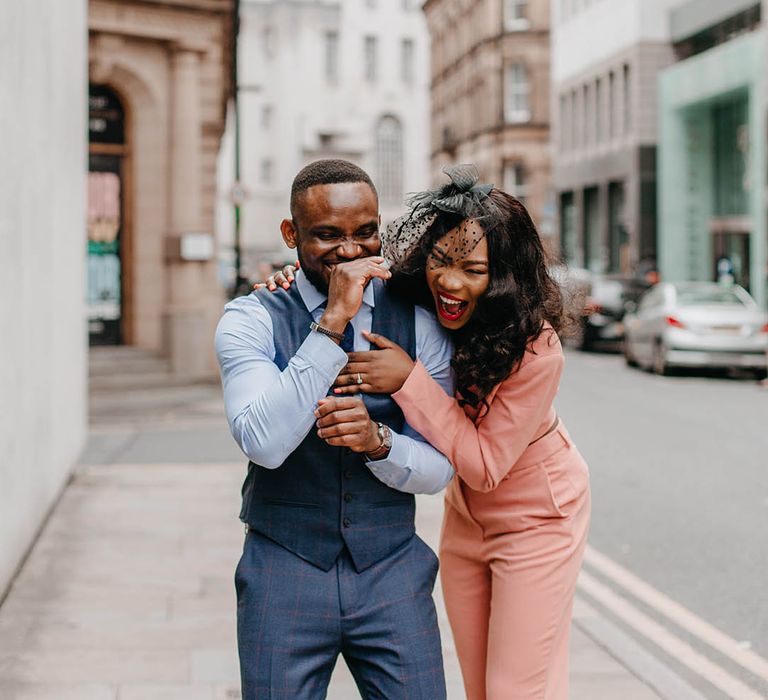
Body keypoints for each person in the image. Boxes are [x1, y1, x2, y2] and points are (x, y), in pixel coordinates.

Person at [274, 166, 591, 699]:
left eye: (473, 269)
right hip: (466, 519)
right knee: (479, 688)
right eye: (441, 262)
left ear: (503, 277)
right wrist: (288, 282)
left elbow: (487, 466)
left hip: (539, 518)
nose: (450, 282)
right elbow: (336, 276)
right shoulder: (426, 305)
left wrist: (408, 381)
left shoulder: (537, 348)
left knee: (517, 691)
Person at [214, 159, 454, 699]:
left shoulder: (419, 320)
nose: (349, 251)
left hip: (392, 568)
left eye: (364, 232)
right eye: (326, 235)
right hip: (283, 569)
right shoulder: (249, 318)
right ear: (290, 234)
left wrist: (380, 443)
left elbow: (442, 468)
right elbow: (263, 445)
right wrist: (331, 325)